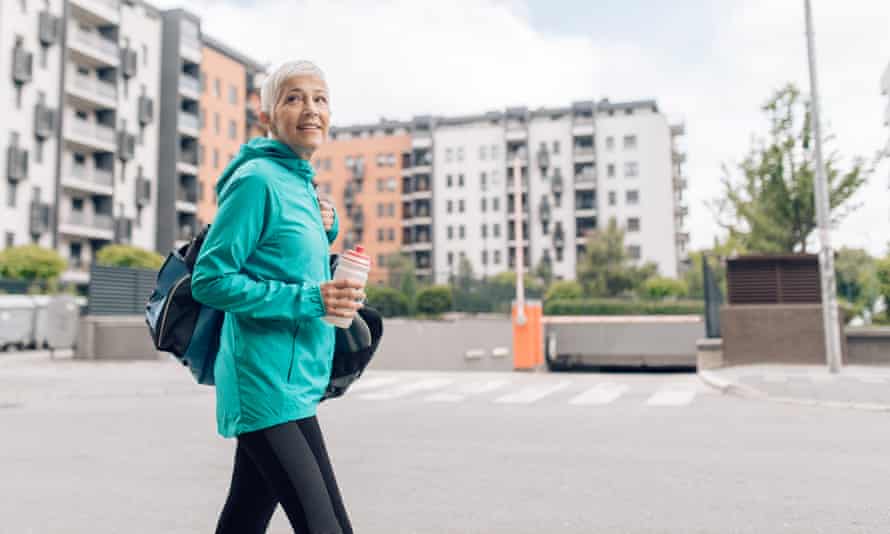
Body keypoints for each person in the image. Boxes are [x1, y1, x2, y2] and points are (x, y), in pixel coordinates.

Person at [191, 60, 363, 534]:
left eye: (320, 98)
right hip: (263, 381)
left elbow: (286, 255)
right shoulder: (257, 181)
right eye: (294, 98)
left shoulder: (300, 185)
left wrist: (329, 225)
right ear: (270, 115)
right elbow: (210, 278)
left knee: (245, 518)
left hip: (296, 380)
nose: (311, 108)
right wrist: (311, 300)